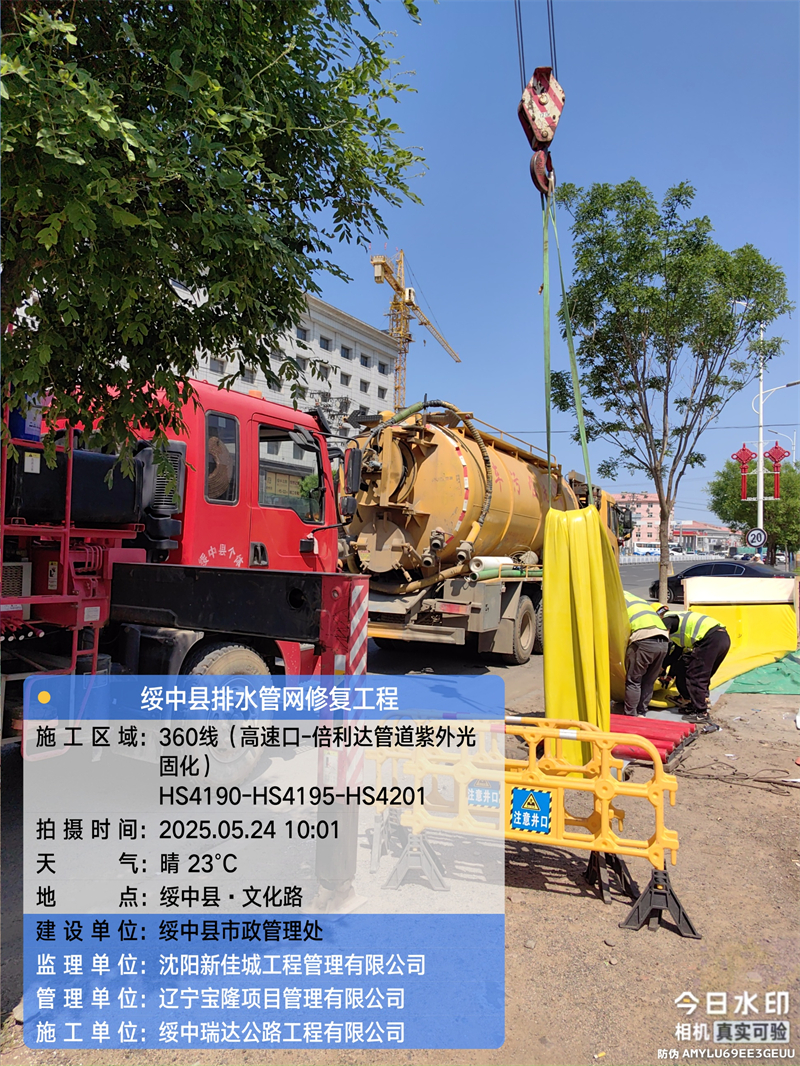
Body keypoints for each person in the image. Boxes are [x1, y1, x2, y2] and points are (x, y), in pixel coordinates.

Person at [657, 607, 731, 721]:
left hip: (710, 640)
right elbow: (676, 654)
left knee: (696, 676)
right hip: (722, 638)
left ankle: (701, 713)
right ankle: (693, 703)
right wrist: (664, 667)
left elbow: (661, 643)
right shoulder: (679, 621)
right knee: (692, 670)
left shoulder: (667, 619)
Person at [623, 591, 670, 717]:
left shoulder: (620, 602)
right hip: (663, 642)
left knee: (634, 680)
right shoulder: (640, 602)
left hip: (644, 641)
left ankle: (630, 715)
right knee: (649, 680)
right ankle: (642, 712)